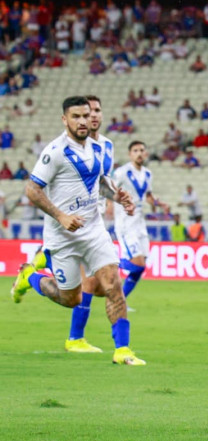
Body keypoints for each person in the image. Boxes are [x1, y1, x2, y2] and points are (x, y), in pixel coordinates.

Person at [9, 96, 145, 366]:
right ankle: (30, 276)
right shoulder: (55, 151)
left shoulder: (96, 148)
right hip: (63, 237)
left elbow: (100, 183)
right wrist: (60, 216)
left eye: (87, 115)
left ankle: (123, 350)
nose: (84, 121)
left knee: (112, 284)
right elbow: (32, 190)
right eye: (77, 116)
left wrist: (118, 197)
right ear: (65, 119)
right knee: (71, 298)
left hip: (94, 231)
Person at [112, 140, 167, 309]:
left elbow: (148, 196)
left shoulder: (147, 174)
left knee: (141, 267)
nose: (139, 153)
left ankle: (119, 301)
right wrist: (117, 202)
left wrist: (158, 203)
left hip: (140, 224)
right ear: (130, 154)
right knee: (137, 264)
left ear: (146, 153)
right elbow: (110, 191)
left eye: (142, 150)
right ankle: (107, 263)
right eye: (135, 150)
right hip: (125, 223)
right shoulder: (121, 172)